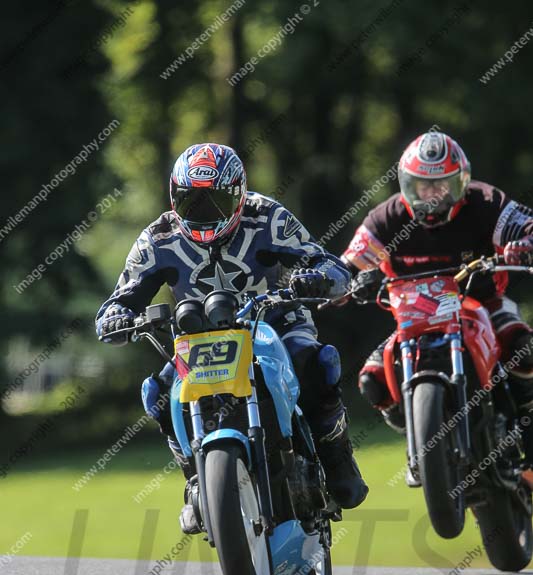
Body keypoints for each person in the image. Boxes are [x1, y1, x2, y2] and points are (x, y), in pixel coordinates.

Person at [96, 142, 368, 531]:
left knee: (317, 363)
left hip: (273, 322)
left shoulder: (269, 217)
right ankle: (195, 480)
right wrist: (116, 317)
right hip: (199, 339)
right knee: (156, 394)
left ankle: (337, 457)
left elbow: (330, 265)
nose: (205, 215)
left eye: (217, 202)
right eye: (192, 203)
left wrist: (319, 277)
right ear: (174, 199)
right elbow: (117, 300)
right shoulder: (156, 239)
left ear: (240, 194)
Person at [342, 131, 533, 465]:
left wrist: (524, 247)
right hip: (415, 316)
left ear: (461, 183)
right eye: (422, 186)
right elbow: (348, 261)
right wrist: (336, 280)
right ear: (406, 184)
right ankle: (416, 428)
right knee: (371, 379)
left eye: (442, 185)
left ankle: (526, 437)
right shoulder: (386, 217)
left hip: (484, 305)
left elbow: (528, 227)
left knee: (523, 350)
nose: (432, 195)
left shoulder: (486, 202)